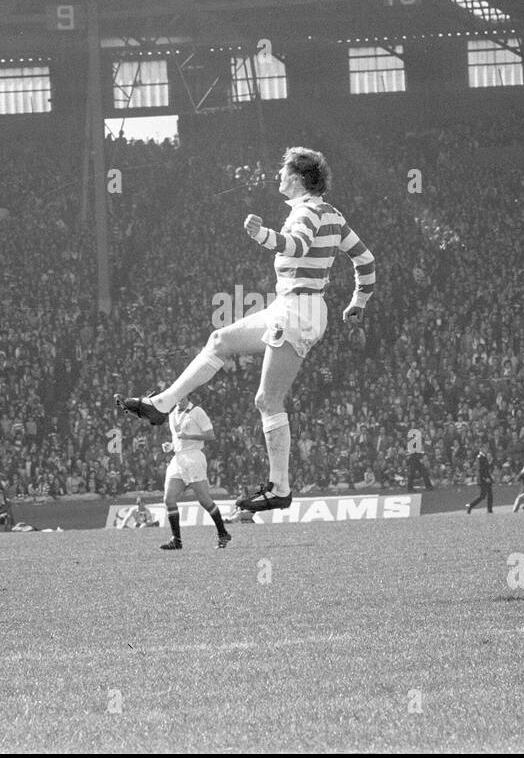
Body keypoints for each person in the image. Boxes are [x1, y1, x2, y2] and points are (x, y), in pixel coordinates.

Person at [116, 147, 375, 518]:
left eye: (283, 172)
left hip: (297, 310)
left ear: (299, 178)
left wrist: (263, 235)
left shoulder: (305, 211)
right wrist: (358, 302)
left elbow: (296, 245)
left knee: (267, 401)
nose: (279, 177)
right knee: (220, 340)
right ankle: (163, 404)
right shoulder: (332, 214)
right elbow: (365, 260)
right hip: (293, 306)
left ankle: (279, 488)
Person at [157, 395, 231, 550]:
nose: (178, 398)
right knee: (168, 499)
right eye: (176, 395)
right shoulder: (172, 415)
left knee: (204, 499)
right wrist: (170, 446)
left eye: (181, 394)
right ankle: (176, 540)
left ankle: (223, 533)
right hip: (178, 459)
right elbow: (178, 440)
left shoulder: (197, 411)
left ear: (187, 395)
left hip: (194, 457)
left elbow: (211, 435)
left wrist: (189, 436)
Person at [465, 446, 493, 514]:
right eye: (485, 448)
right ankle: (471, 505)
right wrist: (485, 478)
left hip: (486, 479)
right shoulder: (479, 457)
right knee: (482, 495)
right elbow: (480, 469)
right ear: (481, 449)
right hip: (483, 479)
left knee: (490, 495)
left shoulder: (483, 457)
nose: (486, 449)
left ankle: (489, 510)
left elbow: (486, 468)